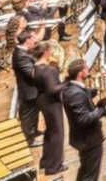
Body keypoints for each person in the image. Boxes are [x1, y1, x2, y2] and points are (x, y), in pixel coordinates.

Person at [62, 59, 106, 181]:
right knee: (91, 175)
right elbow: (84, 119)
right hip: (89, 140)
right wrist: (104, 109)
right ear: (80, 73)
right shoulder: (76, 93)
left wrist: (100, 86)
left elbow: (86, 93)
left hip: (83, 139)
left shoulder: (72, 85)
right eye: (86, 69)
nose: (88, 70)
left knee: (85, 170)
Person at [32, 41, 67, 175]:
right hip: (51, 103)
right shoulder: (46, 70)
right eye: (50, 50)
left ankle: (46, 161)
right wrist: (67, 81)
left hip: (43, 101)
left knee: (50, 132)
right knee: (58, 133)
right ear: (46, 52)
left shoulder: (37, 67)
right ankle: (54, 167)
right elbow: (53, 89)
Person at [13, 29, 43, 147]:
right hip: (28, 90)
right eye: (33, 38)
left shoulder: (23, 51)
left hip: (32, 89)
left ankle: (34, 131)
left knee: (34, 112)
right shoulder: (21, 56)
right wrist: (42, 63)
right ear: (27, 40)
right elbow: (31, 73)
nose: (35, 40)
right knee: (28, 116)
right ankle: (29, 140)